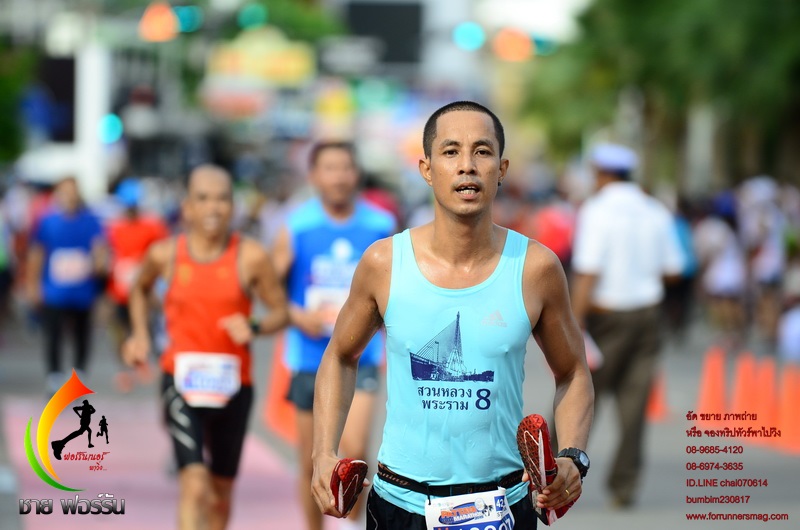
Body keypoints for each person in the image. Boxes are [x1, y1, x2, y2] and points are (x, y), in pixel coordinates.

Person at [310, 102, 594, 530]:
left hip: (502, 504)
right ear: (426, 169)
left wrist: (572, 455)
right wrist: (323, 453)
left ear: (502, 169)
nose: (466, 166)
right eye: (450, 151)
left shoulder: (535, 268)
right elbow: (339, 355)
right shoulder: (384, 263)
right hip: (399, 503)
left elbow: (573, 370)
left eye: (482, 151)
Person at [122, 164, 289, 530]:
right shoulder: (166, 254)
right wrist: (139, 334)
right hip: (180, 381)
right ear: (187, 207)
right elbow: (139, 288)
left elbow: (281, 312)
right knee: (194, 484)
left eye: (222, 199)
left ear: (233, 206)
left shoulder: (251, 256)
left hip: (234, 386)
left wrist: (254, 326)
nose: (213, 208)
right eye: (203, 199)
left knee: (220, 493)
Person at [271, 141, 396, 530]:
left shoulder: (380, 225)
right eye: (329, 168)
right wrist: (296, 315)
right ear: (314, 175)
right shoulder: (296, 225)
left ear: (356, 174)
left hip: (363, 354)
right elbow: (268, 288)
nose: (339, 176)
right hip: (309, 357)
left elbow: (395, 286)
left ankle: (351, 525)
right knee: (314, 461)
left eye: (345, 167)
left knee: (355, 453)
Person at [570, 143, 684, 508]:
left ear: (602, 173)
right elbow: (674, 270)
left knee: (578, 395)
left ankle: (551, 476)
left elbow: (588, 271)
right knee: (634, 406)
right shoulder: (655, 210)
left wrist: (572, 322)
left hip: (607, 317)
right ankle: (624, 486)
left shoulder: (597, 210)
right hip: (647, 316)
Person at [26, 176, 108, 396]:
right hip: (54, 291)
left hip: (82, 291)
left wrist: (99, 264)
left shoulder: (90, 221)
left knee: (82, 334)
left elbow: (100, 248)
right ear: (58, 195)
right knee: (53, 334)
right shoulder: (47, 222)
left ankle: (79, 375)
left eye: (73, 191)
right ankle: (54, 376)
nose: (70, 196)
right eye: (65, 192)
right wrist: (32, 285)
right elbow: (37, 254)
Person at [106, 178, 169, 392]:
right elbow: (108, 256)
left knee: (144, 326)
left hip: (144, 289)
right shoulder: (113, 227)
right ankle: (124, 369)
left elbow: (161, 256)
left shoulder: (152, 226)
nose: (131, 210)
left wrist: (159, 287)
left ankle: (143, 362)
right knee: (120, 331)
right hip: (119, 291)